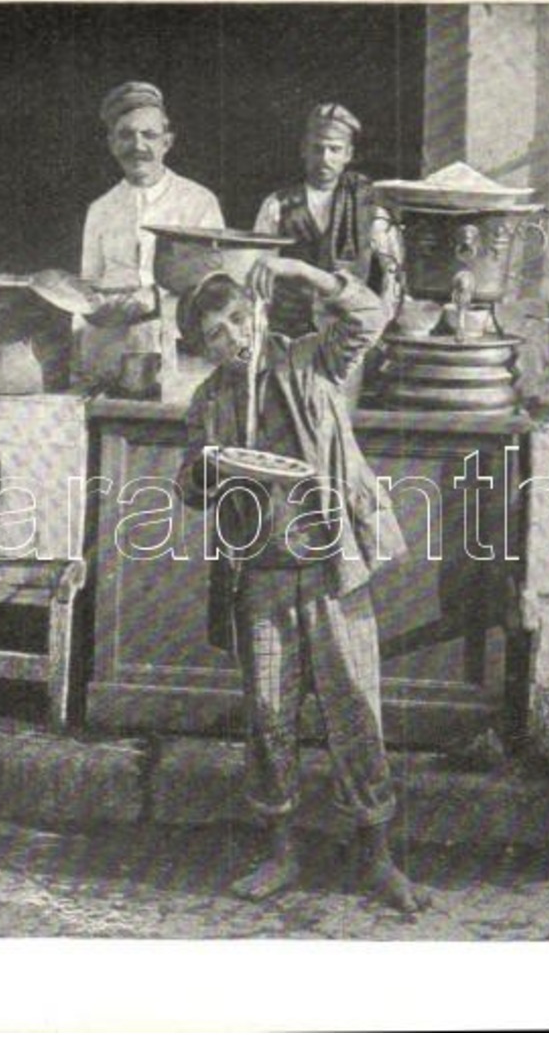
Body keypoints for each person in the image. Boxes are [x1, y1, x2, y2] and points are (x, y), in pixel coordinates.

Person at [175, 254, 424, 914]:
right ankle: (281, 851)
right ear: (201, 348)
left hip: (332, 566)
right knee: (267, 714)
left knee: (354, 709)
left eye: (235, 320)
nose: (231, 339)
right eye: (214, 335)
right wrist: (207, 469)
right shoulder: (209, 400)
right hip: (258, 574)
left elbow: (367, 315)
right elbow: (188, 487)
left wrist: (296, 271)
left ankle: (376, 857)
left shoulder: (311, 360)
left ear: (255, 311)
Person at [78, 81, 224, 391]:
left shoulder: (198, 202)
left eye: (149, 135)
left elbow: (216, 287)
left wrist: (155, 301)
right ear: (111, 143)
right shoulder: (100, 209)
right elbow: (87, 287)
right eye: (126, 135)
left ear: (167, 142)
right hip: (111, 354)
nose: (138, 146)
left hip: (179, 355)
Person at [253, 102, 402, 337]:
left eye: (334, 149)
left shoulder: (369, 206)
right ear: (303, 150)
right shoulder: (277, 205)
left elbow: (393, 273)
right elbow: (259, 273)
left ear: (348, 154)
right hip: (287, 335)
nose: (325, 158)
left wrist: (379, 321)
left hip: (346, 336)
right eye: (317, 148)